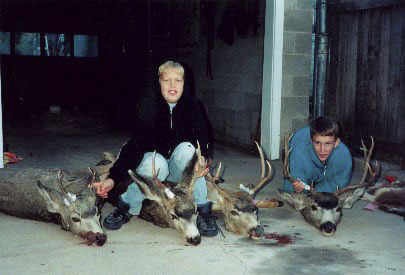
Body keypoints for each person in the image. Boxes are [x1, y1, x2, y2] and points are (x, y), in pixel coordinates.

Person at [91, 60, 219, 237]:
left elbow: (203, 137)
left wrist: (203, 157)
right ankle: (126, 206)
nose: (172, 85)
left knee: (190, 151)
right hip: (155, 170)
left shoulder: (193, 106)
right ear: (160, 82)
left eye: (178, 80)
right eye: (167, 80)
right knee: (154, 161)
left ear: (184, 83)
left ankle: (203, 212)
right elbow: (133, 147)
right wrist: (112, 178)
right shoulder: (149, 107)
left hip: (179, 169)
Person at [282, 116, 352, 193]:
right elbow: (292, 184)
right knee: (291, 188)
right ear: (311, 141)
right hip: (301, 152)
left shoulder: (344, 156)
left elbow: (339, 183)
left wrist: (316, 191)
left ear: (336, 143)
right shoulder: (299, 152)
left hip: (324, 169)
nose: (322, 150)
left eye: (328, 144)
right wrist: (299, 189)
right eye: (317, 143)